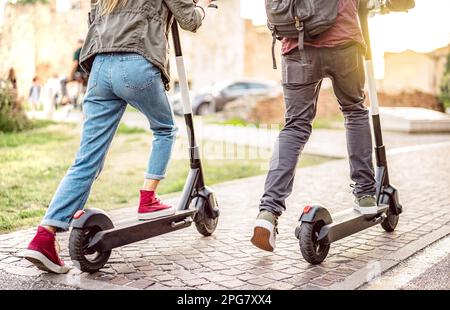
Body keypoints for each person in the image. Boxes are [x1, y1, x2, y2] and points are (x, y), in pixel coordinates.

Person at [24, 0, 212, 274]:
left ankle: (44, 236)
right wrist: (204, 6)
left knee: (87, 159)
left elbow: (93, 21)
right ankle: (148, 199)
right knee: (164, 129)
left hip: (100, 68)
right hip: (137, 63)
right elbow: (190, 20)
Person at [251, 0, 378, 252]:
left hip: (296, 44)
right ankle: (365, 194)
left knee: (295, 126)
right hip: (343, 41)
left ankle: (268, 212)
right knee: (354, 111)